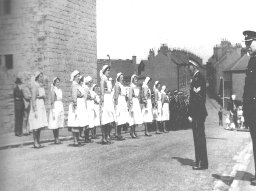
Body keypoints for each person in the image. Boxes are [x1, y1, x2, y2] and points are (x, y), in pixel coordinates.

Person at [187, 59, 208, 170]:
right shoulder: (196, 78)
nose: (188, 68)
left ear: (194, 66)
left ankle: (202, 163)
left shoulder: (198, 78)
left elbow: (198, 99)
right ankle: (200, 161)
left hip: (198, 114)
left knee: (199, 138)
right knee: (198, 138)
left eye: (189, 66)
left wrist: (192, 114)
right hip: (198, 113)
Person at [242, 30, 256, 186]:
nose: (247, 46)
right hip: (253, 111)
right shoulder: (252, 61)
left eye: (249, 43)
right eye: (246, 43)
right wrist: (246, 112)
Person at [67, 70, 87, 146]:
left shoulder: (78, 85)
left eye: (79, 76)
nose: (79, 77)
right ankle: (75, 140)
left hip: (80, 105)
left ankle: (77, 139)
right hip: (76, 106)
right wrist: (75, 105)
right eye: (78, 76)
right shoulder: (74, 85)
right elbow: (74, 96)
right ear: (74, 77)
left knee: (79, 123)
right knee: (75, 123)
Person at [29, 72, 48, 148]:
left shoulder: (41, 86)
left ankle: (38, 141)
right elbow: (33, 99)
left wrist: (43, 97)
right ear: (37, 77)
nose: (41, 78)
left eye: (42, 76)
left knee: (40, 125)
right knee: (36, 125)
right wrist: (35, 110)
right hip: (37, 105)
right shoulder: (34, 86)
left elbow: (44, 96)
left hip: (41, 106)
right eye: (40, 76)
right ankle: (35, 142)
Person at [100, 65, 116, 144]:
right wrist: (102, 99)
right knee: (105, 119)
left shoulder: (108, 80)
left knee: (110, 119)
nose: (108, 72)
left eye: (109, 70)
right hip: (105, 99)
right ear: (104, 71)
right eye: (107, 70)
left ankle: (107, 136)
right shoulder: (103, 79)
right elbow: (102, 91)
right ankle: (104, 138)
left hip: (110, 99)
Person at [48, 77, 64, 144]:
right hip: (55, 106)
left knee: (58, 122)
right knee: (55, 122)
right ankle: (56, 138)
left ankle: (57, 138)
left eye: (59, 82)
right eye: (57, 82)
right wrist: (52, 109)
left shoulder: (59, 89)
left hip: (60, 105)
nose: (58, 83)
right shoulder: (53, 89)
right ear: (54, 82)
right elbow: (52, 100)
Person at [114, 72, 128, 140]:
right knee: (119, 118)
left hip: (123, 102)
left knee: (122, 118)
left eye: (123, 77)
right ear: (118, 78)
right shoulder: (117, 85)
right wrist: (116, 105)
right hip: (119, 102)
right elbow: (116, 95)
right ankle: (118, 134)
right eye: (121, 77)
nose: (122, 79)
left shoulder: (122, 85)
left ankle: (119, 134)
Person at [84, 76, 94, 143]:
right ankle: (86, 137)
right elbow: (85, 97)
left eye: (91, 82)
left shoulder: (90, 89)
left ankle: (88, 137)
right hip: (87, 105)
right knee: (87, 122)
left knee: (90, 122)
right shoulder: (86, 88)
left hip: (90, 106)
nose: (90, 83)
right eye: (89, 82)